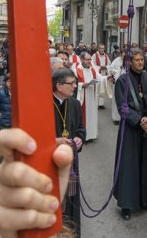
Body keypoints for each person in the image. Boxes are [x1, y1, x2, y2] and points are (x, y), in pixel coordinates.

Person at [113, 49, 147, 220]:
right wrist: (140, 120)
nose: (141, 62)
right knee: (129, 166)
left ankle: (146, 200)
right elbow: (123, 107)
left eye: (142, 59)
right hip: (131, 129)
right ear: (129, 62)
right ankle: (126, 204)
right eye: (137, 60)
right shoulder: (122, 81)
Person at [51, 68, 86, 236]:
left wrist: (80, 139)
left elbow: (80, 128)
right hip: (51, 162)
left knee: (71, 198)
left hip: (71, 161)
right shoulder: (44, 104)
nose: (74, 86)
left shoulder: (75, 103)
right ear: (58, 86)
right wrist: (55, 142)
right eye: (71, 83)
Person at [75, 52, 105, 141]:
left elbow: (100, 78)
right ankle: (83, 136)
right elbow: (73, 83)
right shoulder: (77, 70)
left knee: (91, 115)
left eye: (90, 59)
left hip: (92, 97)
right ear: (81, 59)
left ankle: (91, 135)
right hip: (83, 97)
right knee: (83, 116)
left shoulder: (92, 69)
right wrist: (81, 85)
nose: (89, 61)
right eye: (87, 59)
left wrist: (108, 78)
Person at [107, 50, 127, 124]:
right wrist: (115, 72)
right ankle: (116, 118)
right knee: (116, 101)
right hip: (117, 84)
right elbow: (110, 69)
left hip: (125, 86)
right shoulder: (116, 61)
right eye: (124, 53)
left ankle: (123, 117)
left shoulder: (128, 62)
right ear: (121, 54)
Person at [93, 44, 111, 108]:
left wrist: (106, 67)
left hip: (104, 74)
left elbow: (109, 64)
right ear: (98, 49)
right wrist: (100, 67)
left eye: (103, 48)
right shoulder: (94, 56)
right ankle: (96, 103)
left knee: (103, 88)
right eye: (101, 48)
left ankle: (101, 104)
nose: (102, 49)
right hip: (97, 74)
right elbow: (92, 65)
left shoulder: (106, 56)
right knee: (97, 88)